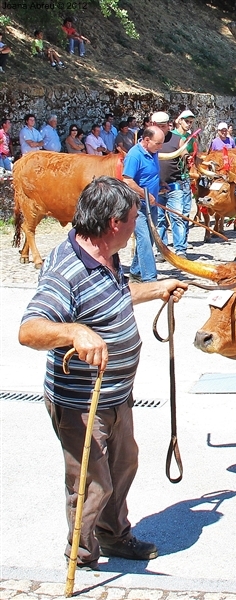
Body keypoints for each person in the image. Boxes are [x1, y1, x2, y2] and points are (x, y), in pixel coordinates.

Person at [18, 176, 187, 571]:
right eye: (134, 217)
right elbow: (30, 329)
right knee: (91, 484)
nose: (137, 224)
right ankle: (81, 551)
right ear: (114, 222)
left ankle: (114, 536)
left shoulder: (105, 254)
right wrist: (73, 331)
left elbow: (116, 296)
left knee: (123, 464)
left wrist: (157, 288)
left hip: (116, 393)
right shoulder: (67, 270)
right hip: (82, 402)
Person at [123, 125, 165, 282]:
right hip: (137, 206)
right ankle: (149, 278)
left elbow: (152, 173)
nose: (160, 147)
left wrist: (161, 183)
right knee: (144, 240)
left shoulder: (153, 152)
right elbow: (127, 180)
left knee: (151, 238)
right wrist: (145, 194)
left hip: (152, 204)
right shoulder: (134, 155)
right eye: (158, 143)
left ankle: (136, 271)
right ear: (147, 140)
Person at [156, 111, 194, 259]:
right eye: (158, 126)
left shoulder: (177, 138)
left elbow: (183, 151)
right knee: (159, 219)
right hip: (155, 186)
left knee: (177, 217)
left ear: (168, 125)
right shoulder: (149, 139)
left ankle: (180, 250)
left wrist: (186, 156)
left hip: (174, 184)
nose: (161, 128)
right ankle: (162, 250)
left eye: (163, 126)